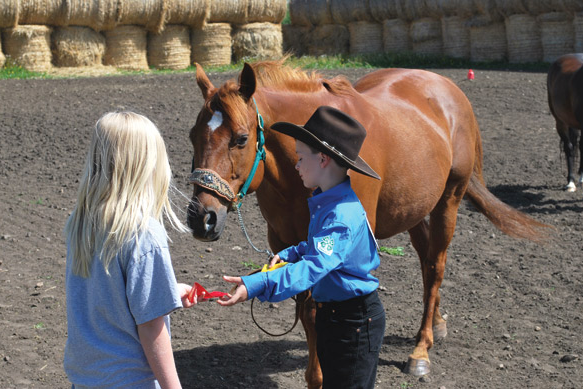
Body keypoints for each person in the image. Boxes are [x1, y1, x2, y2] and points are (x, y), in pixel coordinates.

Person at [218, 106, 386, 388]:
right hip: (339, 318)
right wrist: (286, 254)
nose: (295, 165)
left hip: (353, 323)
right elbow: (315, 248)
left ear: (322, 159)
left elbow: (314, 266)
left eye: (300, 158)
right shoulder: (329, 202)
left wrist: (257, 283)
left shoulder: (340, 215)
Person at [64, 111, 204, 388]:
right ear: (147, 166)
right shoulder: (144, 234)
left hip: (85, 379)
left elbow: (105, 294)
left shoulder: (80, 223)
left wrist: (167, 290)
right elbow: (151, 326)